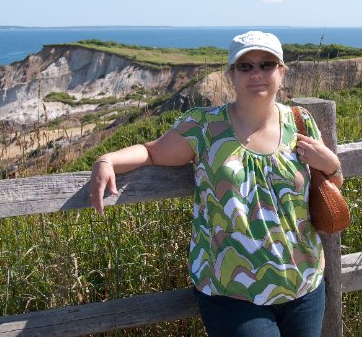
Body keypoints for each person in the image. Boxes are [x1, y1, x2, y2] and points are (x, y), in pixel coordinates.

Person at [89, 30, 343, 337]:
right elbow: (152, 151)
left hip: (304, 283)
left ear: (282, 72)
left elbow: (330, 188)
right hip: (230, 292)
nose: (256, 74)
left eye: (266, 64)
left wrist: (331, 164)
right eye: (245, 67)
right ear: (231, 75)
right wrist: (107, 160)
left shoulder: (301, 120)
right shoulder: (205, 126)